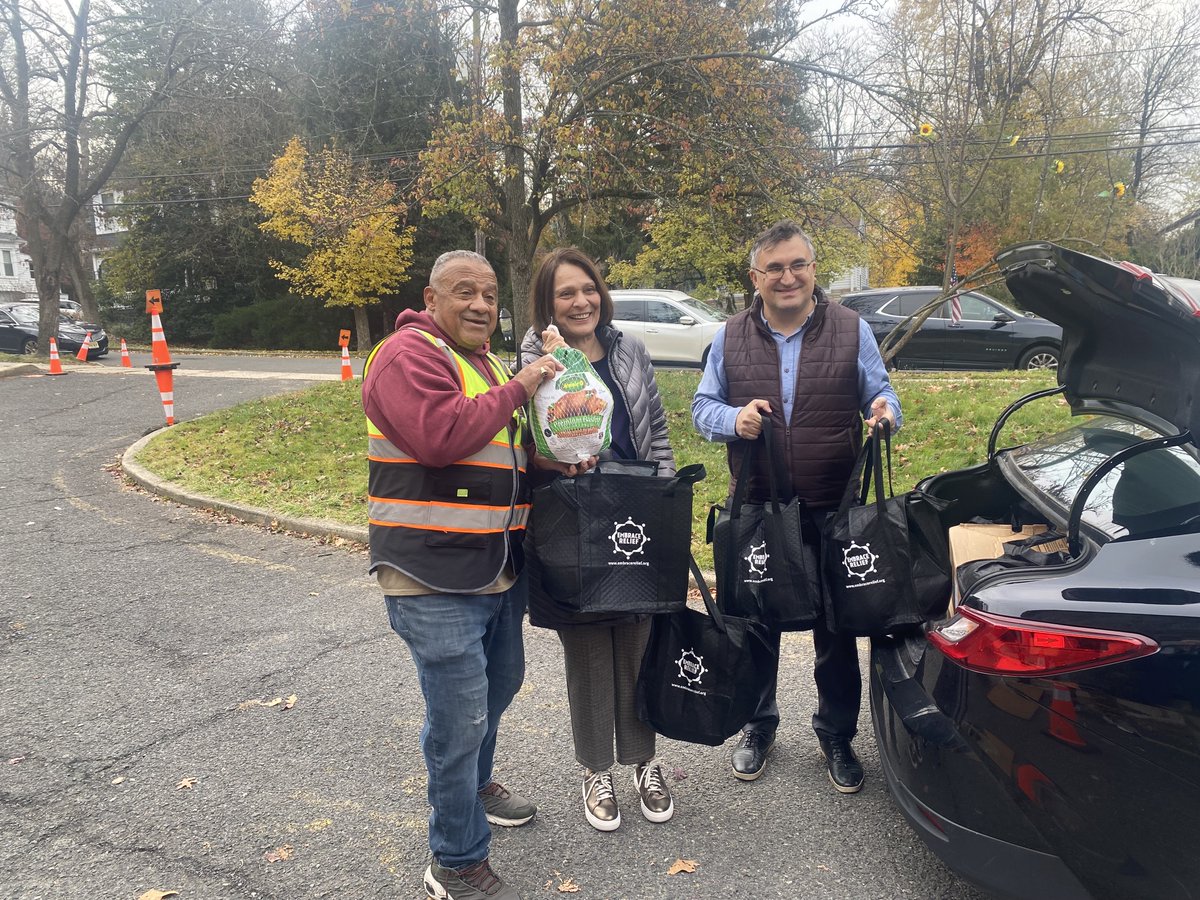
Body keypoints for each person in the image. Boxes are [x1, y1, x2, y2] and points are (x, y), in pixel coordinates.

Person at [362, 249, 589, 900]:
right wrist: (523, 384)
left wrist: (551, 465)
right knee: (459, 716)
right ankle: (456, 860)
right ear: (430, 299)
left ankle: (475, 785)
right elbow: (439, 436)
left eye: (490, 295)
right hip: (432, 573)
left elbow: (501, 450)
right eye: (465, 293)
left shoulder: (481, 361)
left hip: (494, 568)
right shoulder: (407, 355)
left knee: (502, 683)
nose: (481, 305)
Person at [691, 221, 901, 794]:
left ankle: (837, 734)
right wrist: (734, 419)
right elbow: (701, 408)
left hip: (835, 507)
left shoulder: (852, 330)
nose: (788, 277)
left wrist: (883, 410)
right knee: (759, 622)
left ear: (813, 269)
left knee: (838, 627)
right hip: (759, 504)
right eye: (775, 268)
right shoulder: (730, 337)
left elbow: (883, 394)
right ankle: (757, 726)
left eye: (798, 265)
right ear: (755, 278)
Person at [520, 247, 677, 832]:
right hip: (570, 514)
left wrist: (663, 496)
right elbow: (524, 443)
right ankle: (596, 771)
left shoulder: (628, 348)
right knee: (587, 648)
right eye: (566, 293)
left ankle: (644, 763)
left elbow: (655, 426)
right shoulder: (534, 360)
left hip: (635, 507)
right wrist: (553, 468)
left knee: (637, 639)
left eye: (588, 288)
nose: (581, 301)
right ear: (547, 305)